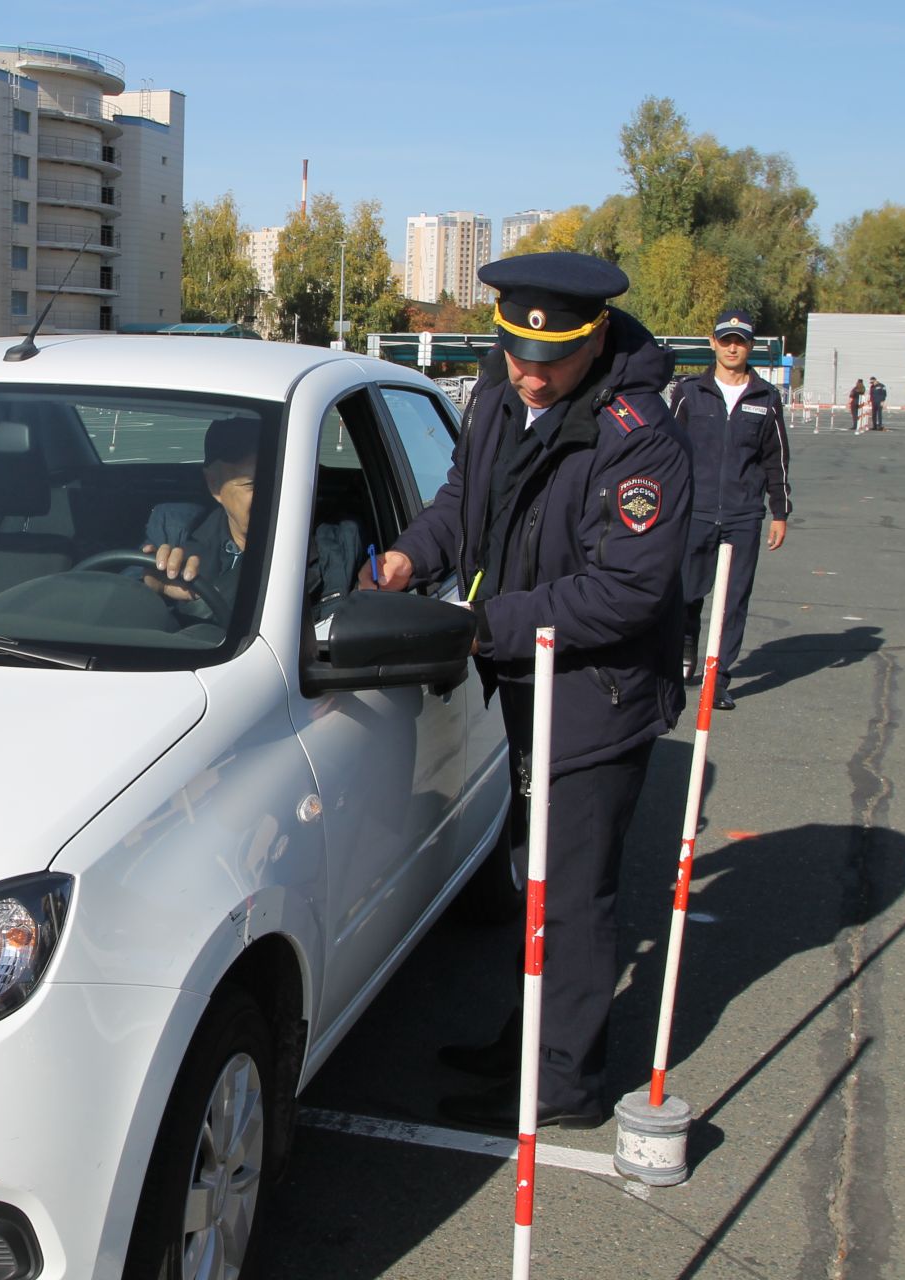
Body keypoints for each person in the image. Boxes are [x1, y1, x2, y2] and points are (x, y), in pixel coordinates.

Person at [362, 251, 692, 1130]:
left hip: (599, 695)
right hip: (525, 678)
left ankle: (564, 1086)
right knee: (536, 877)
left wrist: (487, 626)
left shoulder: (639, 431)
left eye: (550, 362)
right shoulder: (502, 394)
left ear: (595, 341)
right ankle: (530, 1043)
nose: (530, 375)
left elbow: (630, 589)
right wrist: (409, 556)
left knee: (572, 894)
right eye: (515, 354)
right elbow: (463, 503)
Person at [674, 310, 791, 710]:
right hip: (695, 512)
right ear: (713, 343)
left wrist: (780, 511)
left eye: (739, 341)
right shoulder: (689, 393)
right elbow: (669, 452)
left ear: (750, 346)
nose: (732, 347)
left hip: (743, 516)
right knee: (686, 593)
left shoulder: (765, 398)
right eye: (726, 340)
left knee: (734, 599)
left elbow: (776, 459)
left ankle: (718, 679)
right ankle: (681, 654)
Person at [139, 417, 359, 621]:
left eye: (282, 481)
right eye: (253, 485)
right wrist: (153, 587)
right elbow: (112, 596)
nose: (273, 496)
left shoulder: (339, 547)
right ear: (214, 484)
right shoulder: (174, 531)